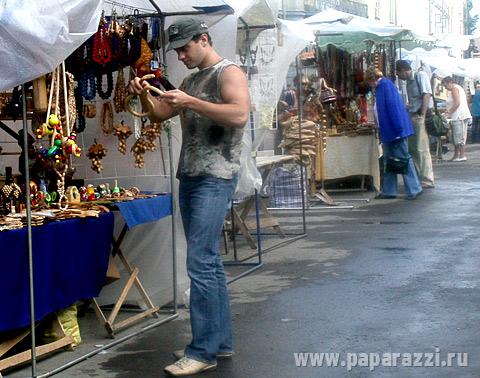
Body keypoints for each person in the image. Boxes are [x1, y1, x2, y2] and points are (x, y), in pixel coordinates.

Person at [128, 18, 250, 376]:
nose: (181, 56)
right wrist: (143, 94)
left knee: (200, 260)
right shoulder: (190, 80)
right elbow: (160, 115)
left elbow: (240, 114)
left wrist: (192, 101)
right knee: (207, 262)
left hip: (217, 175)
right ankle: (219, 342)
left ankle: (202, 350)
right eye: (177, 50)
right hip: (193, 175)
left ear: (204, 39)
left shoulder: (228, 73)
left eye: (185, 48)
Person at [365, 67, 423, 200]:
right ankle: (389, 190)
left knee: (403, 159)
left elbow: (393, 108)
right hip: (390, 131)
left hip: (395, 130)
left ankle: (414, 188)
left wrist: (398, 129)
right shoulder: (382, 87)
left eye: (369, 82)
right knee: (389, 161)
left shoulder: (385, 86)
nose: (369, 85)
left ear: (372, 79)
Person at [395, 60, 435, 189]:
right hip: (412, 115)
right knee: (413, 148)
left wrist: (422, 114)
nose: (398, 77)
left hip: (418, 116)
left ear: (403, 70)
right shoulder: (407, 82)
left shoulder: (420, 76)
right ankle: (420, 176)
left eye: (398, 74)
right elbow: (414, 99)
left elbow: (427, 94)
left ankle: (427, 178)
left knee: (421, 148)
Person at [441, 76, 472, 161]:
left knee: (458, 136)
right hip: (460, 114)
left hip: (459, 115)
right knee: (459, 136)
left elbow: (457, 103)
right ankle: (458, 155)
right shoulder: (458, 88)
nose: (445, 88)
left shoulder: (454, 89)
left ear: (450, 82)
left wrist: (449, 112)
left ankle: (459, 155)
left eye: (445, 85)